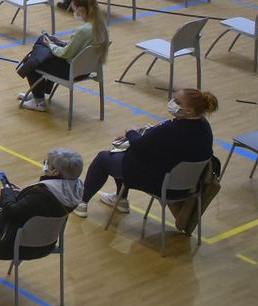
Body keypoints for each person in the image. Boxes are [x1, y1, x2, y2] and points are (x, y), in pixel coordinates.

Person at [79, 88, 217, 217]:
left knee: (104, 158)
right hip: (187, 185)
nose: (172, 103)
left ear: (189, 111)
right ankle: (120, 199)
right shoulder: (204, 127)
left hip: (160, 182)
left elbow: (139, 144)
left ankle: (81, 203)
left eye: (177, 102)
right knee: (123, 156)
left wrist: (130, 132)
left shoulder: (172, 130)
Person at [0, 148, 84, 262]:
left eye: (48, 163)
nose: (45, 165)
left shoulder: (43, 194)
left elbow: (11, 211)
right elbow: (37, 208)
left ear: (55, 172)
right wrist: (23, 194)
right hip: (46, 243)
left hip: (14, 241)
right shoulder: (73, 192)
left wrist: (7, 191)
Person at [16, 0, 107, 111]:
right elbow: (80, 48)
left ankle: (39, 101)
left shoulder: (82, 30)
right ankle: (38, 92)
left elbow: (65, 54)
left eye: (74, 9)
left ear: (81, 9)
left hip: (72, 71)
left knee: (33, 61)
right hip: (87, 69)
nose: (74, 12)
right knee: (45, 56)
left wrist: (51, 45)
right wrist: (61, 43)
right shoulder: (101, 27)